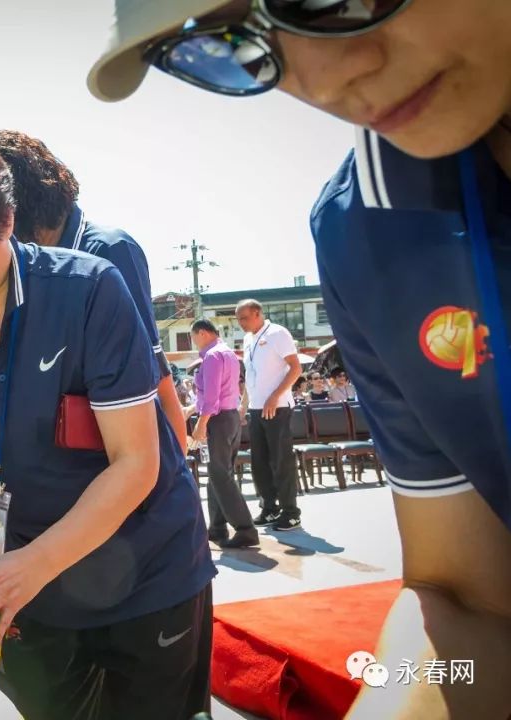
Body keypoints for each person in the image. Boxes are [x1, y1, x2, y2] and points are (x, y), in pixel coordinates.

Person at [87, 1, 511, 715]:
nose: (322, 79)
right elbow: (466, 603)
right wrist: (388, 700)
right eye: (228, 47)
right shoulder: (365, 231)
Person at [0, 134, 215, 720]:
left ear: (6, 220)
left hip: (147, 573)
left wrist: (35, 563)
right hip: (29, 589)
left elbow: (136, 463)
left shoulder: (90, 290)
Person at [0, 129, 188, 452]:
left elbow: (152, 370)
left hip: (121, 453)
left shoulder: (108, 250)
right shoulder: (22, 266)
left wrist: (176, 473)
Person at [235, 299, 303, 530]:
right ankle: (270, 508)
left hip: (278, 407)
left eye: (244, 318)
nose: (240, 323)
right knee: (259, 462)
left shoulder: (278, 333)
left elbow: (296, 368)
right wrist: (244, 405)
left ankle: (291, 512)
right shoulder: (247, 339)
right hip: (256, 408)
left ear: (257, 313)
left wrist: (275, 396)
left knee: (281, 460)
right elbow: (250, 375)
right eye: (238, 319)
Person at [190, 320, 256, 548]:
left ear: (202, 332)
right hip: (230, 418)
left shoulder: (212, 356)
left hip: (217, 420)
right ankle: (217, 527)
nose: (194, 342)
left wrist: (201, 423)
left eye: (194, 337)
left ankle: (245, 528)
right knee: (218, 473)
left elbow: (211, 397)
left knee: (220, 475)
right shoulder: (228, 353)